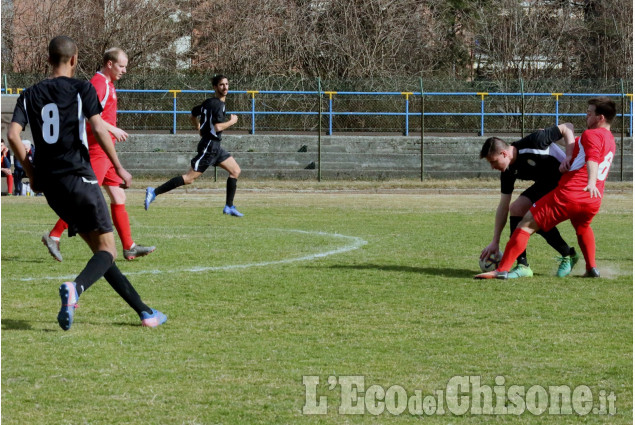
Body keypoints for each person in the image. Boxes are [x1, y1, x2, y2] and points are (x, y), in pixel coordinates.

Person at [7, 35, 166, 329]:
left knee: (100, 253)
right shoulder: (82, 88)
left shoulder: (28, 94)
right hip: (79, 179)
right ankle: (75, 289)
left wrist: (31, 173)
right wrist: (120, 168)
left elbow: (13, 136)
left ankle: (145, 312)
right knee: (108, 251)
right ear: (74, 59)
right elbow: (98, 128)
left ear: (48, 59)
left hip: (53, 189)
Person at [476, 97, 617, 279]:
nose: (586, 116)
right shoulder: (610, 140)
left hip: (569, 190)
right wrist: (495, 241)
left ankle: (503, 270)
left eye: (589, 113)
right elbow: (504, 205)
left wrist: (583, 174)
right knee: (578, 225)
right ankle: (590, 268)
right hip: (591, 197)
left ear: (601, 118)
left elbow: (589, 154)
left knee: (527, 224)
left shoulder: (543, 140)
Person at [41, 47, 155, 263]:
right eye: (121, 66)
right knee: (83, 198)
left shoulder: (108, 84)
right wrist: (112, 129)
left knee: (118, 196)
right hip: (97, 150)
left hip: (106, 151)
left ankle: (129, 246)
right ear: (109, 64)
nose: (124, 71)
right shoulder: (99, 83)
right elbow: (87, 114)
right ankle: (54, 235)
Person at [479, 123, 579, 278]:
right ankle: (523, 265)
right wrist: (495, 241)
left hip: (567, 182)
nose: (492, 167)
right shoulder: (507, 171)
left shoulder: (535, 141)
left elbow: (567, 127)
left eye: (493, 161)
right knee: (517, 209)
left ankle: (568, 254)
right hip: (547, 184)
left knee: (534, 217)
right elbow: (503, 206)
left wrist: (569, 156)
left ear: (504, 153)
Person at [144, 74, 243, 216]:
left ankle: (229, 206)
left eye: (227, 84)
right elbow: (217, 127)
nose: (225, 87)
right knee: (189, 178)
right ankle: (154, 191)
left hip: (214, 146)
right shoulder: (219, 105)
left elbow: (192, 114)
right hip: (209, 146)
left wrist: (199, 128)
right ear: (215, 87)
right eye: (221, 84)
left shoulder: (207, 102)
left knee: (235, 171)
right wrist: (232, 122)